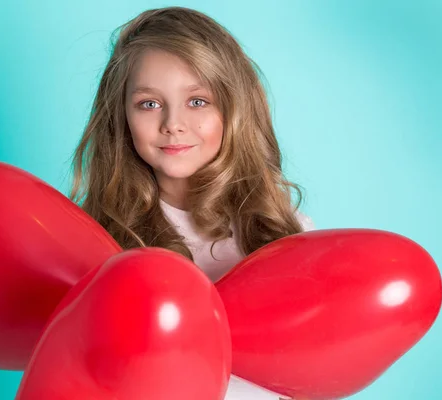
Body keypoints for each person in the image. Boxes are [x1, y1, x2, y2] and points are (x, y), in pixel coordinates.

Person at [69, 6, 314, 400]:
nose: (173, 123)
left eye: (198, 101)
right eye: (149, 103)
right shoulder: (98, 242)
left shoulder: (288, 235)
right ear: (122, 118)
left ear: (233, 109)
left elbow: (321, 372)